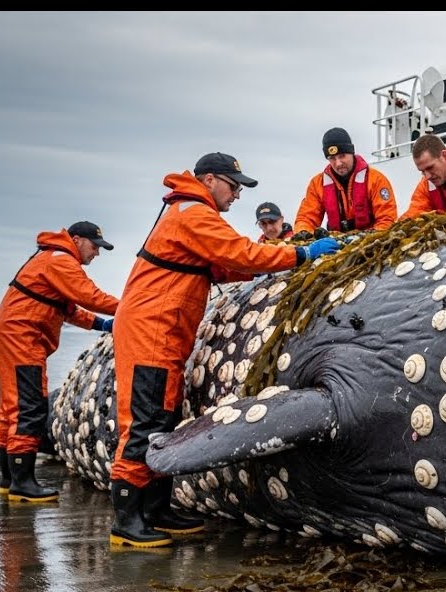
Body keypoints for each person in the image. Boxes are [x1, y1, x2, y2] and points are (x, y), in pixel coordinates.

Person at [108, 152, 342, 548]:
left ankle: (156, 510)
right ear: (211, 180)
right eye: (234, 186)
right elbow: (241, 254)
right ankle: (127, 522)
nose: (237, 195)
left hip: (164, 330)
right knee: (145, 421)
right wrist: (300, 254)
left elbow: (225, 266)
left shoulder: (189, 212)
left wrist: (276, 262)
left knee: (164, 417)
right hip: (152, 330)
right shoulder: (194, 213)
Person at [0, 221, 119, 503]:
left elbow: (69, 310)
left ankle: (8, 479)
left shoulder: (51, 258)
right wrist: (133, 307)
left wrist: (103, 324)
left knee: (11, 406)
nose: (96, 254)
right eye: (94, 246)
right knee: (31, 407)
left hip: (13, 332)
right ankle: (23, 484)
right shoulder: (61, 260)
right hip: (23, 336)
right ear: (76, 240)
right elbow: (89, 295)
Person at [292, 127, 397, 237]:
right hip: (336, 242)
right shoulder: (317, 184)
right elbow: (306, 218)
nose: (338, 163)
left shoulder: (376, 180)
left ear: (352, 153)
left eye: (342, 156)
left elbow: (387, 219)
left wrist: (367, 238)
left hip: (369, 241)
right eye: (332, 158)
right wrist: (303, 232)